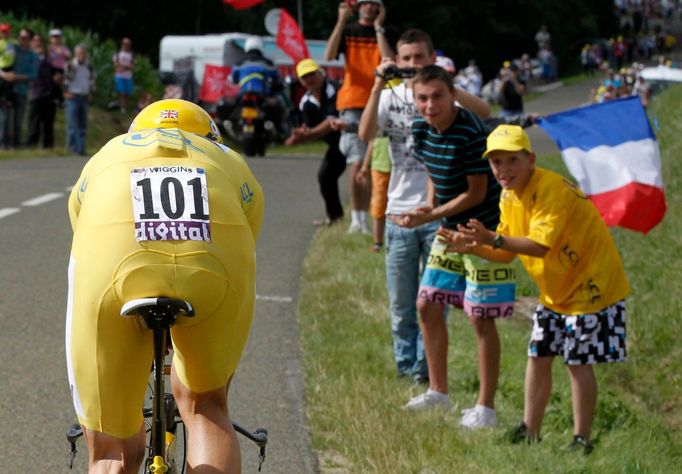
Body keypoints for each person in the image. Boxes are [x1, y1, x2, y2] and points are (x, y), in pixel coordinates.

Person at [66, 99, 264, 472]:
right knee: (207, 406)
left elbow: (80, 226)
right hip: (212, 267)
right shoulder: (227, 158)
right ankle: (203, 407)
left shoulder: (108, 153)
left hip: (114, 264)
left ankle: (116, 452)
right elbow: (249, 237)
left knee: (111, 445)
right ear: (211, 137)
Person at [443, 124, 629, 453]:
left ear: (531, 159)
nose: (503, 169)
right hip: (556, 290)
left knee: (576, 361)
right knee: (538, 353)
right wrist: (472, 246)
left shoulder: (551, 189)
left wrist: (491, 238)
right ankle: (530, 431)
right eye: (496, 162)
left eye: (512, 160)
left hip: (591, 286)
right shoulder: (508, 196)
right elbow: (506, 253)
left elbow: (539, 246)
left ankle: (581, 439)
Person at [359, 29, 492, 387]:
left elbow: (485, 111)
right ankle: (407, 370)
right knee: (402, 303)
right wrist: (377, 85)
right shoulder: (393, 94)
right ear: (396, 61)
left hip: (441, 213)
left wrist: (443, 84)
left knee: (433, 299)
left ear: (432, 58)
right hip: (400, 209)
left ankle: (425, 371)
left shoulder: (439, 95)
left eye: (420, 58)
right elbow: (366, 133)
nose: (413, 65)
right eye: (406, 59)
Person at [398, 65, 515, 430]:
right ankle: (438, 392)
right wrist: (429, 207)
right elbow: (434, 174)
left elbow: (476, 192)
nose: (429, 105)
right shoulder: (420, 129)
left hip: (482, 229)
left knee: (480, 317)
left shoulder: (470, 131)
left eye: (437, 96)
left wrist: (430, 214)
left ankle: (486, 410)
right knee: (427, 303)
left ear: (452, 95)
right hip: (447, 227)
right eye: (422, 98)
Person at [325, 0, 393, 234]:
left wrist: (379, 28)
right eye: (363, 3)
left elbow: (389, 61)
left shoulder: (382, 32)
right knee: (356, 160)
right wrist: (341, 20)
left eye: (373, 4)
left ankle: (369, 214)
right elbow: (330, 54)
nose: (367, 7)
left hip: (379, 99)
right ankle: (357, 219)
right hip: (353, 100)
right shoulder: (349, 31)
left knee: (375, 162)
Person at [285, 58, 346, 226]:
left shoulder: (336, 90)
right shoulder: (306, 103)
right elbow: (312, 131)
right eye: (305, 77)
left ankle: (363, 215)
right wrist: (299, 136)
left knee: (365, 177)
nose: (309, 79)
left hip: (353, 138)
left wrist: (307, 134)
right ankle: (335, 217)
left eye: (312, 74)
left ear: (321, 73)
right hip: (336, 145)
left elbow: (330, 123)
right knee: (325, 177)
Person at [1, 28, 39, 148]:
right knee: (4, 119)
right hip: (6, 89)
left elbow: (33, 74)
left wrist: (16, 77)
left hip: (21, 90)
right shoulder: (11, 48)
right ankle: (3, 145)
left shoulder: (33, 56)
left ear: (30, 40)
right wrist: (4, 74)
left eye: (24, 38)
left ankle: (15, 145)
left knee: (18, 120)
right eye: (20, 37)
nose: (21, 39)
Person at [27, 33, 62, 149]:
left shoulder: (50, 59)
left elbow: (57, 73)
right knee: (34, 122)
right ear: (31, 43)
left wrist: (57, 77)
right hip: (35, 93)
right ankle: (31, 146)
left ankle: (48, 147)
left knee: (48, 123)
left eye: (40, 41)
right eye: (35, 41)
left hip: (49, 94)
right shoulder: (29, 58)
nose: (38, 44)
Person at [63, 43, 95, 155]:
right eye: (79, 53)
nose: (82, 55)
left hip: (84, 97)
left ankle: (81, 149)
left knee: (82, 125)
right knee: (72, 125)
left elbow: (91, 81)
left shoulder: (88, 67)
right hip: (72, 97)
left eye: (83, 53)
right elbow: (65, 80)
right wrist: (65, 93)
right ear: (76, 54)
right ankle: (71, 149)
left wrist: (91, 93)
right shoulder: (70, 65)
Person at [0, 22, 16, 148]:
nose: (6, 33)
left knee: (8, 108)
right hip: (3, 73)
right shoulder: (1, 44)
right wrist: (2, 74)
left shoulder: (12, 43)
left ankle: (8, 140)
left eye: (7, 31)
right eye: (4, 31)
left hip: (11, 73)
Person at [113, 37, 134, 113]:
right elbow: (115, 64)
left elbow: (132, 66)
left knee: (127, 93)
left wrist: (122, 67)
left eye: (127, 44)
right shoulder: (118, 53)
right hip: (120, 76)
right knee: (121, 92)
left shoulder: (131, 54)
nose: (126, 45)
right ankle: (122, 108)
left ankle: (124, 107)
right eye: (124, 43)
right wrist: (126, 67)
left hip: (128, 77)